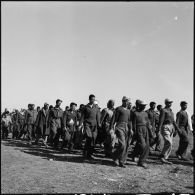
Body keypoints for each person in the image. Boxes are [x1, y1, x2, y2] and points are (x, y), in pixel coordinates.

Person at [110, 96, 132, 168]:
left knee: (125, 145)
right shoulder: (118, 109)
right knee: (122, 145)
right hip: (119, 127)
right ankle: (115, 156)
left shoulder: (129, 111)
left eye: (128, 101)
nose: (127, 102)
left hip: (126, 128)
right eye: (126, 101)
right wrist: (111, 128)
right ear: (123, 101)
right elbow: (113, 119)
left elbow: (129, 121)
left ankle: (121, 161)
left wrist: (131, 129)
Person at [157, 98, 181, 164]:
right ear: (165, 103)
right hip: (165, 127)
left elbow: (173, 121)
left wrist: (177, 129)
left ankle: (165, 158)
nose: (170, 104)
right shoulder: (163, 110)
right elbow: (161, 120)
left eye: (170, 103)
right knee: (168, 142)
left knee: (170, 144)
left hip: (171, 127)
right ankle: (162, 156)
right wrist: (158, 128)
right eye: (168, 102)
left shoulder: (171, 111)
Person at [79, 94, 101, 159]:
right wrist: (80, 124)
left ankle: (89, 153)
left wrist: (99, 123)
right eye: (92, 99)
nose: (93, 100)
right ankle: (86, 152)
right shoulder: (85, 107)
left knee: (93, 139)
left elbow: (98, 116)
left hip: (94, 125)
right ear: (89, 99)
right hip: (87, 124)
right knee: (89, 137)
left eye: (94, 99)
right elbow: (82, 117)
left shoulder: (96, 108)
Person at [132, 100, 151, 169]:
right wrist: (135, 132)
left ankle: (141, 160)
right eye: (142, 106)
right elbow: (133, 124)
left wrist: (150, 132)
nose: (144, 107)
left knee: (147, 146)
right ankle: (141, 161)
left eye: (145, 106)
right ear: (139, 106)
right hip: (138, 129)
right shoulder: (135, 113)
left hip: (145, 129)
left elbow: (147, 123)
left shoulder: (145, 113)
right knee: (143, 145)